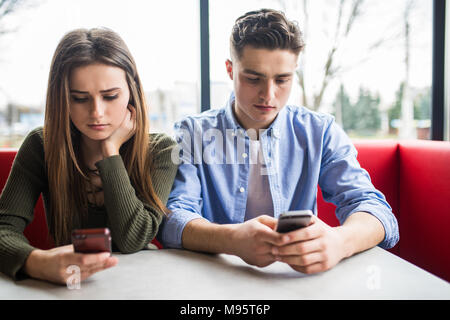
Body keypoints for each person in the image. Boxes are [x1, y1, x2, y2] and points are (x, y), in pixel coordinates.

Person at [160, 9, 399, 274]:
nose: (268, 95)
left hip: (298, 280)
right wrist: (233, 240)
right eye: (253, 78)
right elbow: (173, 219)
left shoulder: (320, 131)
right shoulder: (192, 132)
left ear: (294, 73)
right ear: (230, 69)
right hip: (216, 278)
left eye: (283, 80)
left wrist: (339, 242)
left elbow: (374, 209)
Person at [0, 28, 178, 284]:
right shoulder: (41, 145)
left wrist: (110, 152)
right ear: (62, 99)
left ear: (132, 91)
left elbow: (133, 240)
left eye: (110, 96)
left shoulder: (161, 150)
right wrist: (37, 262)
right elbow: (3, 228)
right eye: (80, 98)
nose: (97, 112)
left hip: (143, 285)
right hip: (71, 287)